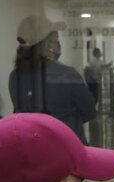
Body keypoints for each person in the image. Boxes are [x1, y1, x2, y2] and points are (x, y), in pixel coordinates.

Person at [9, 15, 96, 143]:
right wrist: (66, 121)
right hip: (67, 148)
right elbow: (90, 111)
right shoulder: (67, 74)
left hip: (34, 149)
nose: (58, 46)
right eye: (55, 41)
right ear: (46, 45)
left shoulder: (15, 77)